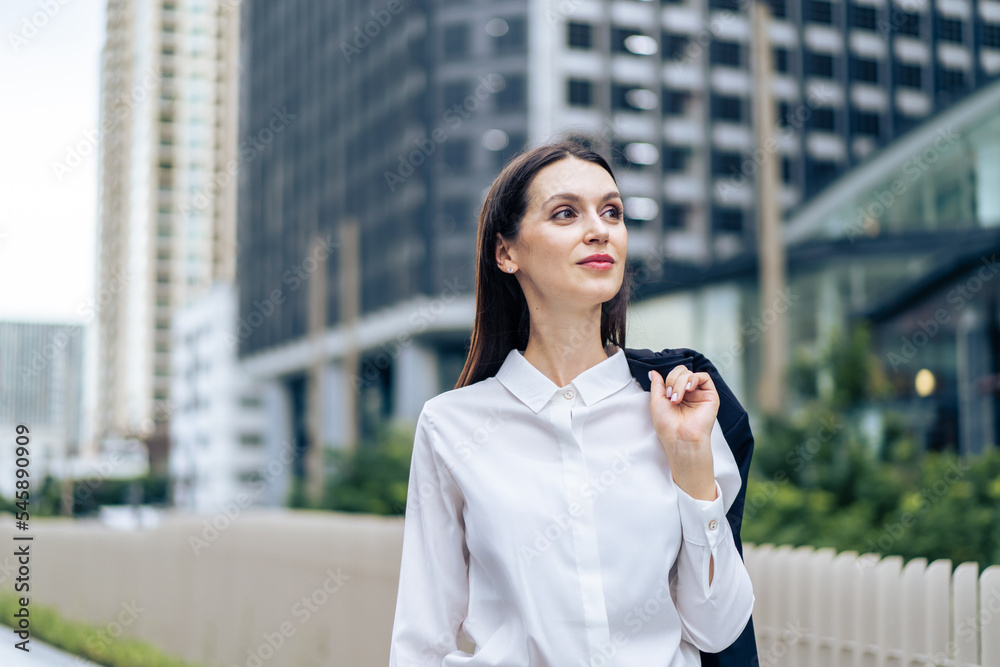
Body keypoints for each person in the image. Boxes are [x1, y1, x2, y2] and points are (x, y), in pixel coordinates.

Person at [388, 141, 755, 666]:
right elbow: (421, 643)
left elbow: (718, 631)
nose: (600, 229)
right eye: (565, 213)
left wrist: (692, 467)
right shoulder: (451, 425)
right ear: (506, 252)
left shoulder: (681, 409)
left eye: (612, 212)